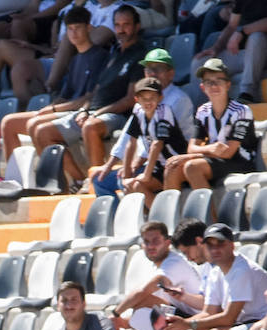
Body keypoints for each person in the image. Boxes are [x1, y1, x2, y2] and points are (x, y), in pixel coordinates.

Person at [31, 5, 145, 188]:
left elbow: (130, 100)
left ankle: (97, 183)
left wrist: (96, 113)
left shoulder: (140, 55)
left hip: (118, 115)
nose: (121, 30)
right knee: (42, 132)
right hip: (94, 111)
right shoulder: (114, 54)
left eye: (126, 24)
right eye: (117, 25)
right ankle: (79, 181)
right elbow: (97, 91)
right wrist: (85, 110)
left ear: (137, 26)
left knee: (90, 127)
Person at [0, 5, 107, 162]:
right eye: (70, 28)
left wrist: (53, 109)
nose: (74, 33)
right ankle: (13, 178)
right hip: (67, 110)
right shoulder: (75, 59)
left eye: (78, 28)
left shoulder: (100, 56)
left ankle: (64, 178)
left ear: (89, 28)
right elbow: (66, 95)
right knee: (8, 122)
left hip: (82, 113)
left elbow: (88, 98)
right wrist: (50, 108)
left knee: (35, 125)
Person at [113, 220, 203, 330]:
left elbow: (143, 292)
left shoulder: (173, 263)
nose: (151, 246)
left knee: (144, 306)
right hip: (178, 317)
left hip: (195, 321)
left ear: (167, 242)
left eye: (155, 241)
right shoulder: (157, 265)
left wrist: (115, 314)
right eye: (147, 242)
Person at [163, 58, 259, 192]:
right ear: (202, 87)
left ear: (228, 85)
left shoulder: (242, 111)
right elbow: (192, 147)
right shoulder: (203, 111)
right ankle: (172, 212)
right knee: (171, 168)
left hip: (241, 162)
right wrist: (211, 148)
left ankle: (207, 214)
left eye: (218, 80)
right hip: (214, 161)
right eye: (209, 82)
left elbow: (228, 152)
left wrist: (188, 156)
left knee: (192, 166)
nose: (214, 86)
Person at [163, 223, 267, 330]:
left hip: (259, 322)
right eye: (210, 245)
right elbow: (208, 312)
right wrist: (179, 325)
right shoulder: (215, 271)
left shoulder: (242, 270)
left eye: (220, 244)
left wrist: (188, 323)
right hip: (241, 322)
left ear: (232, 245)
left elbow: (228, 318)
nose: (215, 249)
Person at [92, 77, 188, 207]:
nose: (148, 102)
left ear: (160, 97)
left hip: (173, 164)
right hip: (158, 166)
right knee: (124, 183)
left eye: (152, 97)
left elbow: (157, 144)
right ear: (136, 99)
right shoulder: (139, 113)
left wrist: (146, 175)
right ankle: (129, 218)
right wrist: (126, 174)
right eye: (144, 98)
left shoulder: (164, 112)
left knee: (137, 184)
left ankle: (162, 216)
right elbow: (131, 143)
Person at [193, 1, 267, 102]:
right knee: (200, 62)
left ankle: (247, 95)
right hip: (244, 54)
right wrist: (216, 48)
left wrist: (243, 32)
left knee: (257, 37)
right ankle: (199, 112)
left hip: (262, 53)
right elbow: (232, 25)